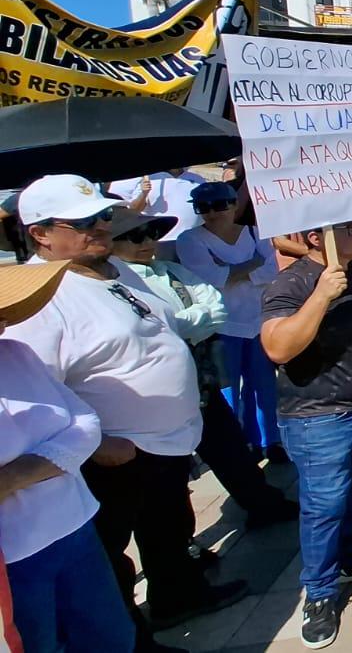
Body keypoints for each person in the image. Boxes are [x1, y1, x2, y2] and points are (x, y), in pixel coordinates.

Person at [7, 174, 246, 638]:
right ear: (40, 233)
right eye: (82, 223)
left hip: (165, 442)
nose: (100, 227)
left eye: (102, 216)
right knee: (110, 553)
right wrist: (98, 444)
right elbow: (37, 391)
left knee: (168, 526)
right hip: (117, 453)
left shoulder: (112, 267)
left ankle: (177, 596)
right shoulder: (40, 297)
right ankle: (131, 639)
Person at [261, 221, 352, 647]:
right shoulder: (291, 283)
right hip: (318, 416)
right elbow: (277, 347)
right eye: (347, 227)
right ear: (314, 237)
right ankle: (320, 593)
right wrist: (321, 297)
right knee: (323, 507)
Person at [110, 209, 297, 530]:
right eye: (135, 236)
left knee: (230, 448)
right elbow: (147, 328)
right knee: (168, 475)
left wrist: (176, 324)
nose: (147, 242)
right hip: (157, 395)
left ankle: (263, 504)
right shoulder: (118, 282)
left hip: (199, 381)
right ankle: (182, 545)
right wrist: (181, 322)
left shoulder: (170, 270)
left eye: (151, 233)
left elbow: (213, 306)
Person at [1, 260, 138, 653]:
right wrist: (54, 457)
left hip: (76, 526)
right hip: (12, 556)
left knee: (112, 639)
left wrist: (18, 474)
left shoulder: (17, 354)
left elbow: (86, 425)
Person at [176, 181, 284, 462]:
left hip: (258, 322)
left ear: (234, 205)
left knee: (264, 387)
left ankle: (269, 441)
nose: (212, 213)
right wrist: (254, 265)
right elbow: (210, 278)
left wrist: (232, 272)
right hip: (222, 326)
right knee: (228, 391)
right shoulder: (190, 239)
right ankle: (237, 446)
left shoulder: (256, 232)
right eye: (204, 208)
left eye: (219, 205)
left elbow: (275, 270)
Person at [108, 167, 205, 243]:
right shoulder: (149, 179)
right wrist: (144, 193)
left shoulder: (197, 179)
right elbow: (134, 210)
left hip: (196, 239)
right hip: (163, 241)